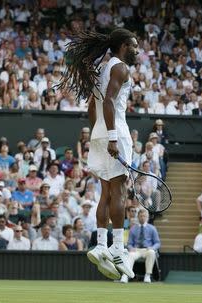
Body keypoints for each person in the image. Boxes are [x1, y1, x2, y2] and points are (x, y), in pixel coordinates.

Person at [59, 28, 139, 280]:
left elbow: (93, 105)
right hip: (117, 134)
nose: (137, 50)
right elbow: (108, 102)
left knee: (106, 191)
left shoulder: (100, 69)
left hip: (99, 133)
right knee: (120, 191)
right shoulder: (120, 68)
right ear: (124, 46)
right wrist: (113, 138)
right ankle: (117, 248)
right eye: (134, 46)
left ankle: (102, 245)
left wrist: (98, 134)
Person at [120, 209, 161, 283]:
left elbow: (157, 243)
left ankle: (147, 275)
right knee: (130, 255)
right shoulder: (133, 229)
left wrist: (152, 248)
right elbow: (129, 243)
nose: (142, 218)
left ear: (147, 217)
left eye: (144, 216)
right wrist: (131, 248)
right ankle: (125, 275)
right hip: (136, 250)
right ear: (138, 217)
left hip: (147, 249)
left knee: (152, 252)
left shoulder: (152, 228)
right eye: (141, 216)